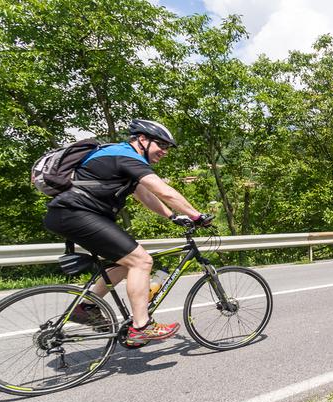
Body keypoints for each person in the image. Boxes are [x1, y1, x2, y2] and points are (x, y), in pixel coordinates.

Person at [43, 119, 213, 346]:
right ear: (142, 139)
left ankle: (87, 307)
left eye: (167, 148)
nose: (164, 152)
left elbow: (145, 195)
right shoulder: (124, 155)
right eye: (161, 145)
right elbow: (164, 191)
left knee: (125, 263)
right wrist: (196, 216)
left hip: (73, 215)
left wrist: (173, 217)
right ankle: (141, 327)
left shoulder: (121, 158)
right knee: (141, 261)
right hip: (76, 214)